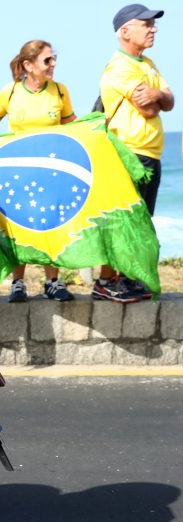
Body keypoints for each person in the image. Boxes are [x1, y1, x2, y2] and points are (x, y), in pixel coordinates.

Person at [0, 40, 77, 303]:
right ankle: (18, 283)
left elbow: (73, 126)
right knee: (20, 227)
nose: (53, 65)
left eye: (54, 59)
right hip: (19, 172)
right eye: (47, 60)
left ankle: (52, 282)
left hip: (52, 172)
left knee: (52, 225)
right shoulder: (11, 92)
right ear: (28, 65)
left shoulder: (60, 92)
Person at [94, 4, 174, 302]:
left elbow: (168, 100)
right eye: (146, 24)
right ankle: (106, 280)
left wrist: (160, 96)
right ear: (125, 31)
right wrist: (158, 98)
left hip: (150, 153)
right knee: (124, 220)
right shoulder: (119, 67)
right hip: (128, 154)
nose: (153, 29)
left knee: (140, 221)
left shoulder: (149, 64)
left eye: (154, 24)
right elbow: (148, 106)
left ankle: (124, 279)